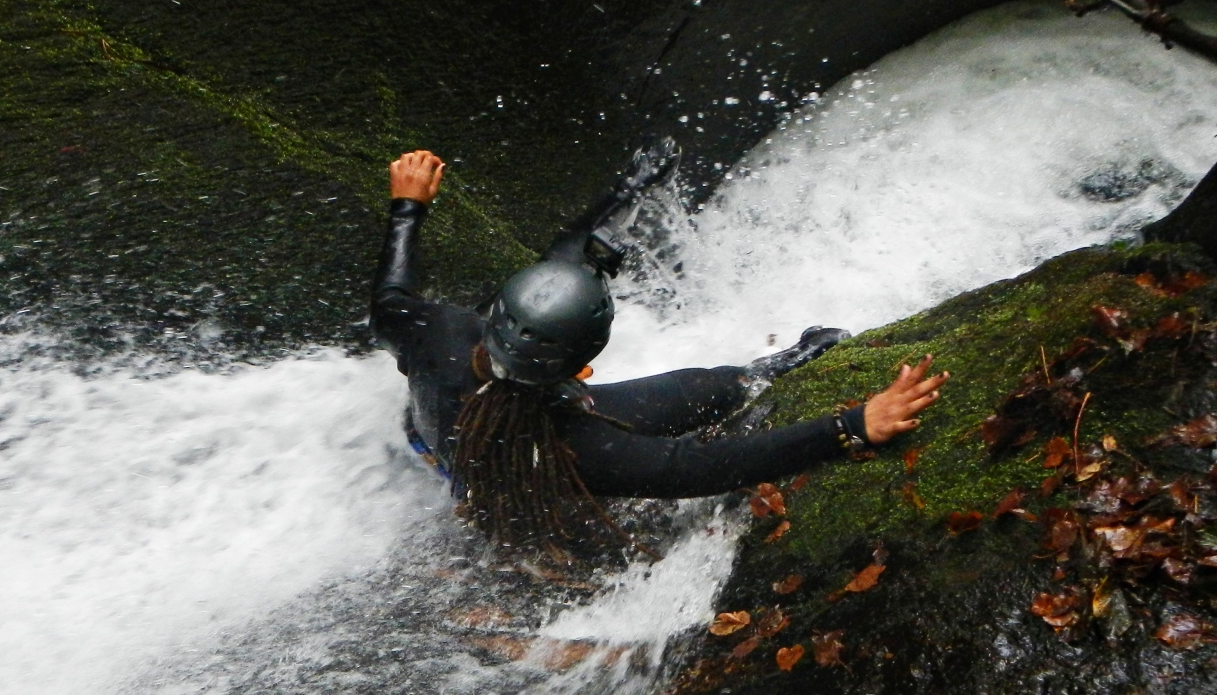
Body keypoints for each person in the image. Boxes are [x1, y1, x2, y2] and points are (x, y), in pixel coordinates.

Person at [371, 145, 948, 556]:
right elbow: (703, 468)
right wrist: (851, 426)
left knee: (568, 287)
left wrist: (407, 205)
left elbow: (390, 296)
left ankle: (620, 197)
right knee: (709, 390)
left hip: (439, 440)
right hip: (525, 467)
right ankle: (762, 374)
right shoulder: (584, 446)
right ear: (582, 366)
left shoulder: (436, 331)